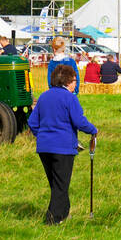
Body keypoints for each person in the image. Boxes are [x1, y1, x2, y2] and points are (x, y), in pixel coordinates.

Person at [28, 63, 97, 225]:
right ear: (67, 81)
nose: (76, 84)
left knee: (56, 184)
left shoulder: (44, 96)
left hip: (44, 148)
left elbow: (32, 122)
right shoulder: (70, 98)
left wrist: (42, 135)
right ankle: (51, 220)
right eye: (74, 80)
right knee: (61, 185)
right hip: (63, 148)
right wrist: (93, 129)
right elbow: (79, 121)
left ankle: (64, 214)